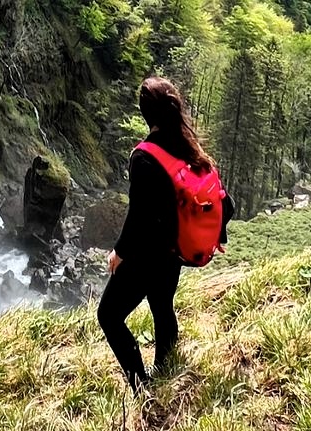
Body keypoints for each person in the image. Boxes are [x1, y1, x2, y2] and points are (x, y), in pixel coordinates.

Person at [97, 75, 234, 390]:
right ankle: (164, 373)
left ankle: (141, 386)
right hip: (174, 254)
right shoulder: (190, 150)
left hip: (147, 254)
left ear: (146, 114)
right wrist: (216, 234)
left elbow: (138, 215)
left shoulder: (145, 156)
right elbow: (226, 203)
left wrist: (119, 252)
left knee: (109, 316)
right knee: (162, 307)